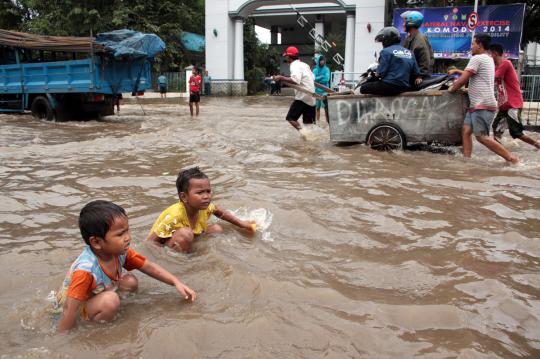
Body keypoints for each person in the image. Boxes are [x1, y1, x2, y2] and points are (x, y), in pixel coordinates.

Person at [56, 200, 196, 332]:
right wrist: (63, 340)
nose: (128, 237)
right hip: (77, 307)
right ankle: (99, 328)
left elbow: (149, 267)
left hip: (97, 294)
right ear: (97, 242)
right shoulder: (85, 271)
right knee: (110, 300)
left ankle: (109, 308)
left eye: (127, 231)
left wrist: (176, 282)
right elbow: (69, 309)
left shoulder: (120, 253)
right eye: (120, 234)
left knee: (130, 281)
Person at [147, 167, 256, 253]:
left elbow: (219, 211)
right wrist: (163, 258)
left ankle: (196, 252)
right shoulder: (174, 216)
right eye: (200, 193)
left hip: (192, 236)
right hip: (170, 242)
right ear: (184, 197)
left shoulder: (204, 207)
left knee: (217, 229)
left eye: (208, 191)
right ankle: (188, 259)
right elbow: (151, 242)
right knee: (186, 233)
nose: (206, 196)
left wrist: (242, 224)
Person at [448, 34, 518, 164]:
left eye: (473, 44)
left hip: (482, 104)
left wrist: (451, 89)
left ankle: (511, 159)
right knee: (466, 130)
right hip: (476, 104)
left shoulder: (478, 58)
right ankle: (467, 161)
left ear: (480, 45)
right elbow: (480, 79)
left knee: (481, 137)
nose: (471, 47)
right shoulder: (488, 59)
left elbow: (463, 79)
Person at [490, 43, 540, 149]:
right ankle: (501, 151)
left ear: (494, 54)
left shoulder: (506, 63)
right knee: (496, 128)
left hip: (513, 104)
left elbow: (492, 77)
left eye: (490, 54)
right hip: (504, 105)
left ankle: (537, 145)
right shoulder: (496, 66)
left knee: (515, 132)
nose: (489, 57)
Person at [360, 27, 422, 96]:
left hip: (389, 86)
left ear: (387, 40)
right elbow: (416, 72)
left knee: (363, 88)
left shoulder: (385, 52)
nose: (382, 43)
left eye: (383, 41)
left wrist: (375, 75)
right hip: (404, 86)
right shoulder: (409, 52)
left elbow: (381, 73)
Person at [273, 46, 316, 131]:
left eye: (286, 56)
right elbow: (313, 78)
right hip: (312, 97)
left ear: (289, 56)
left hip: (302, 97)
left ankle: (304, 134)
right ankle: (310, 137)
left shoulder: (294, 65)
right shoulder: (304, 65)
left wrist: (281, 77)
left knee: (290, 118)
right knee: (309, 124)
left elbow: (295, 80)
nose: (285, 57)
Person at [401, 10, 434, 78]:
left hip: (418, 78)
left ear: (410, 23)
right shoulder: (409, 38)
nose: (403, 24)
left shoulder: (420, 39)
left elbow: (425, 60)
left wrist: (420, 75)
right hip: (410, 75)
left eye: (404, 22)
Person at [312, 54, 330, 124]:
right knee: (317, 108)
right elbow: (313, 79)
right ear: (318, 61)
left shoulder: (326, 69)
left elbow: (327, 79)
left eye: (323, 60)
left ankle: (327, 122)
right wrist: (321, 76)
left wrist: (318, 79)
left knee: (326, 108)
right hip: (317, 91)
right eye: (320, 60)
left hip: (325, 91)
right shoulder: (315, 70)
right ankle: (318, 122)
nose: (322, 62)